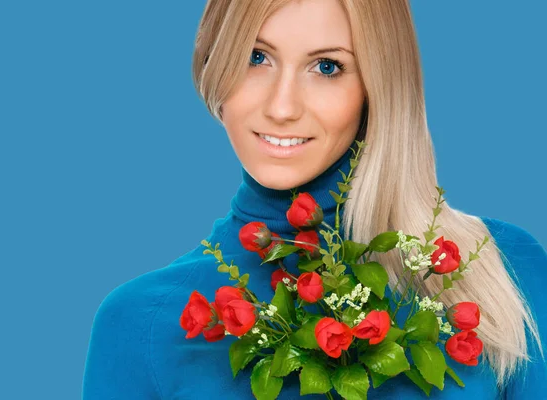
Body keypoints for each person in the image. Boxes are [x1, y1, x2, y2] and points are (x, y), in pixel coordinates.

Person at [81, 0, 547, 398]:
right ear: (214, 63)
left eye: (327, 67)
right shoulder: (138, 325)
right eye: (255, 57)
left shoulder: (501, 273)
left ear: (376, 85)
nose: (282, 107)